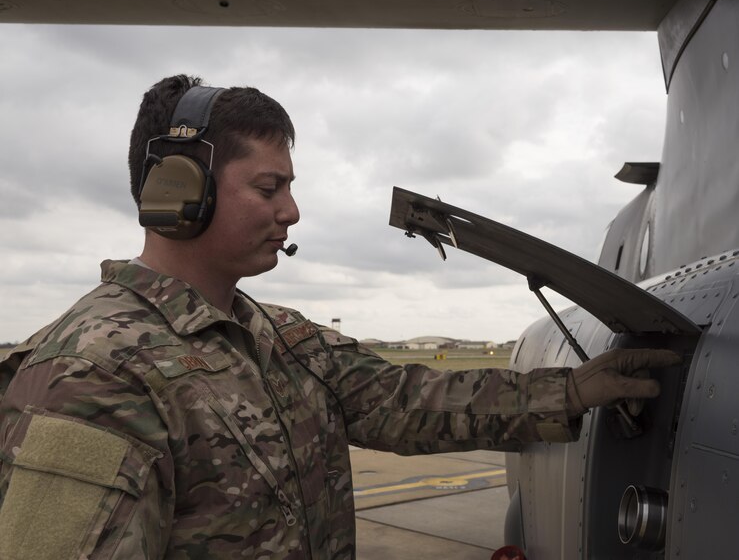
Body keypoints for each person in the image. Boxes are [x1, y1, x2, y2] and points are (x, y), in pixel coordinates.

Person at [0, 75, 680, 560]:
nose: (290, 212)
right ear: (179, 192)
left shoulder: (281, 338)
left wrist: (574, 389)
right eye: (269, 188)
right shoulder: (91, 374)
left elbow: (403, 400)